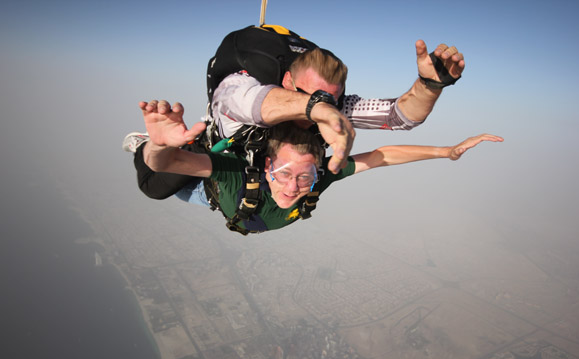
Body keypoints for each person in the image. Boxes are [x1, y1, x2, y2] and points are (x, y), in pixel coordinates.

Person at [125, 29, 465, 175]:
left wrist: (430, 85)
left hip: (269, 177)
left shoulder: (332, 104)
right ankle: (146, 143)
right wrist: (318, 109)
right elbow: (252, 103)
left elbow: (399, 117)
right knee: (159, 183)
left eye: (330, 97)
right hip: (213, 157)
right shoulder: (240, 85)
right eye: (311, 93)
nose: (323, 104)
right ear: (287, 81)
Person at [137, 100, 503, 234]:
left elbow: (382, 156)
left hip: (231, 207)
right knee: (155, 186)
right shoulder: (235, 170)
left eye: (306, 176)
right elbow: (170, 163)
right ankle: (138, 143)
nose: (295, 187)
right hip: (202, 189)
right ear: (266, 168)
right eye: (284, 174)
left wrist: (448, 152)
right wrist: (157, 145)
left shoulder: (318, 178)